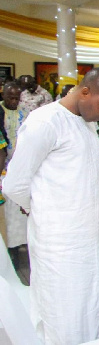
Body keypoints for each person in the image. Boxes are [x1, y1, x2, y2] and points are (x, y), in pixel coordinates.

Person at [2, 67, 99, 345]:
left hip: (85, 238)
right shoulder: (45, 121)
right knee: (61, 315)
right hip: (57, 241)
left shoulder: (85, 121)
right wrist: (42, 209)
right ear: (85, 91)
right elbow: (14, 184)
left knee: (86, 309)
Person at [0, 82, 28, 269]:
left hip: (19, 165)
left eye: (17, 98)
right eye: (10, 97)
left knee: (17, 215)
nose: (14, 101)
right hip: (3, 166)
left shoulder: (26, 113)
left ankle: (20, 247)